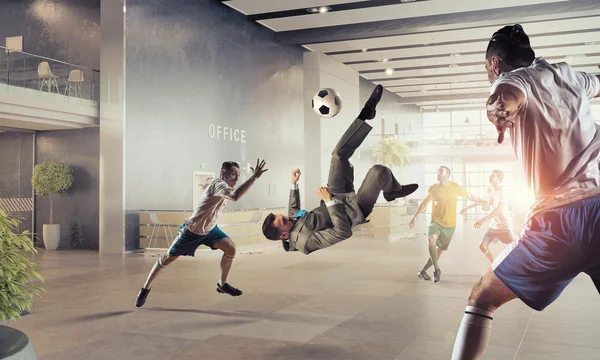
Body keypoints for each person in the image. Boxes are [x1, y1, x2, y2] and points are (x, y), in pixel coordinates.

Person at [451, 24, 600, 359]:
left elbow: (505, 98)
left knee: (481, 298)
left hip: (559, 220)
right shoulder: (567, 74)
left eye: (486, 67)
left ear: (494, 63)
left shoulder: (510, 80)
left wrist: (499, 110)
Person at [261, 85, 418, 254]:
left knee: (337, 155)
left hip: (337, 194)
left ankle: (366, 114)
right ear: (285, 235)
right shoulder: (306, 242)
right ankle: (393, 190)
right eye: (284, 220)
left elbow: (294, 211)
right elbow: (342, 232)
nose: (287, 216)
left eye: (282, 216)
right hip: (354, 210)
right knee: (378, 172)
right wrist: (328, 201)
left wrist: (294, 184)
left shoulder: (291, 222)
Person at [135, 159, 268, 307]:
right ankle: (145, 288)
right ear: (223, 173)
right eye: (233, 175)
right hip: (192, 231)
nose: (236, 179)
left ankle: (222, 284)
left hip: (210, 230)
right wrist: (254, 177)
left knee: (231, 248)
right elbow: (235, 196)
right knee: (167, 258)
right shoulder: (219, 184)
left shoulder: (221, 185)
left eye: (238, 175)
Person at [409, 166, 485, 283]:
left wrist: (483, 201)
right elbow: (424, 203)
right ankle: (437, 270)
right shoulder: (433, 188)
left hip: (450, 225)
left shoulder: (455, 187)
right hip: (436, 222)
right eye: (438, 171)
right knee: (432, 240)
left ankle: (423, 271)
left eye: (441, 172)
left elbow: (469, 196)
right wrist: (414, 217)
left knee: (438, 254)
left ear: (447, 175)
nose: (438, 173)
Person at [460, 170, 515, 264]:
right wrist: (466, 208)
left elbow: (499, 208)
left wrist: (483, 220)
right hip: (493, 226)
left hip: (504, 225)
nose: (489, 176)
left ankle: (514, 269)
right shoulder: (490, 191)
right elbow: (482, 201)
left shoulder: (503, 191)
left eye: (492, 175)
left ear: (498, 178)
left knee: (515, 248)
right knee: (482, 246)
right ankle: (494, 265)